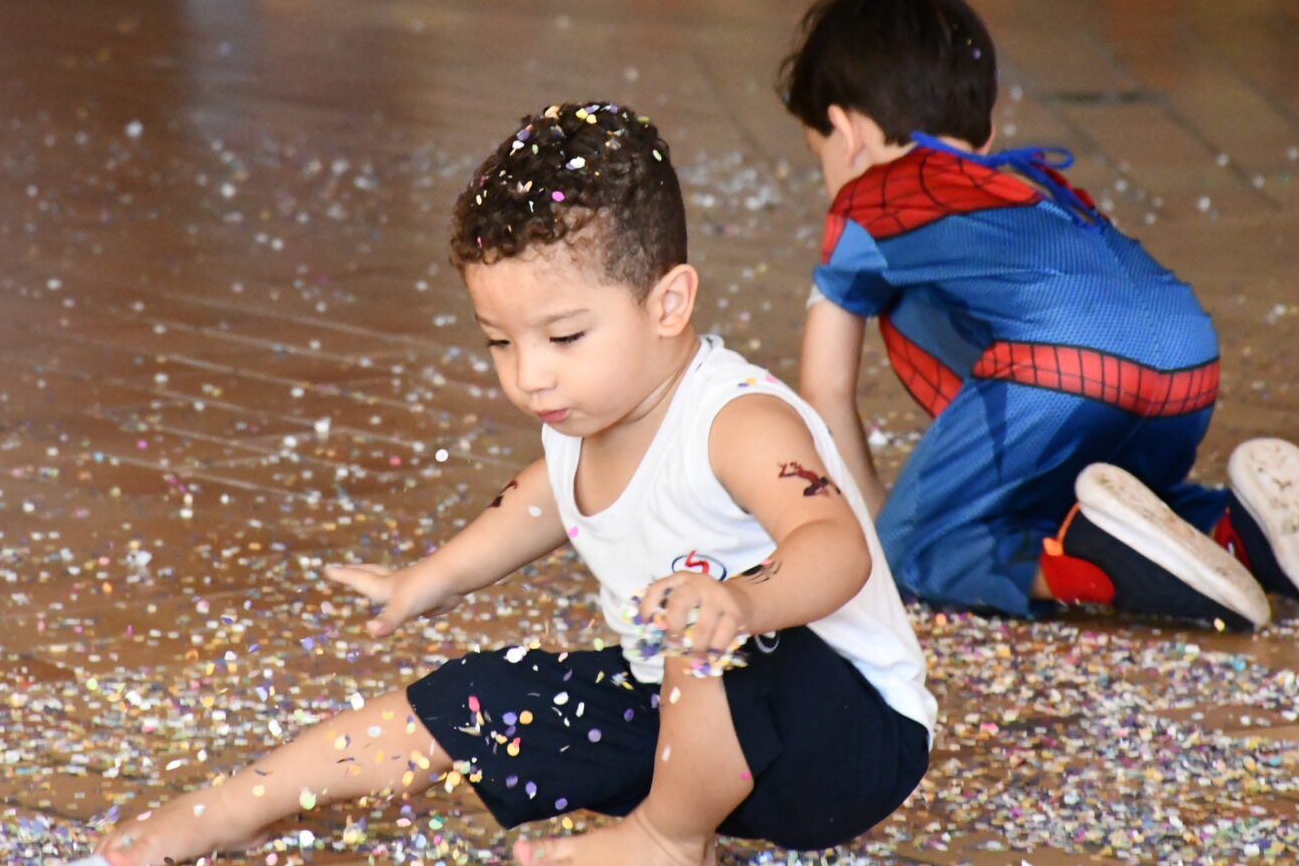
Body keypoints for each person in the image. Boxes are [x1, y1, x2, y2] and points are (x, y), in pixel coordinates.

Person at [88, 102, 934, 866]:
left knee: (699, 626)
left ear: (669, 303)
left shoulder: (740, 421)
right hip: (701, 737)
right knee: (489, 696)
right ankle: (221, 812)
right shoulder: (581, 418)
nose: (529, 376)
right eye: (500, 341)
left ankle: (666, 843)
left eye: (564, 336)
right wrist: (432, 578)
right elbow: (545, 497)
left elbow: (835, 548)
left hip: (847, 737)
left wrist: (739, 605)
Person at [780, 0, 1299, 630]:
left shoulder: (868, 204)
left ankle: (1090, 559)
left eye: (821, 156)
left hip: (1063, 370)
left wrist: (880, 535)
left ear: (847, 132)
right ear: (982, 135)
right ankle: (1239, 530)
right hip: (1186, 366)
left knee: (916, 550)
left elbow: (826, 391)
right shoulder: (1022, 185)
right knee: (1116, 495)